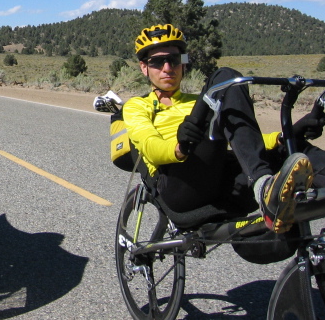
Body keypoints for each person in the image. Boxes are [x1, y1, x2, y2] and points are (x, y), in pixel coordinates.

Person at [123, 23, 325, 234]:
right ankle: (263, 185)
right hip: (179, 184)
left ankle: (273, 187)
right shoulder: (138, 105)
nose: (167, 68)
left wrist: (289, 135)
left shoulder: (200, 101)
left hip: (218, 177)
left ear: (183, 63)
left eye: (174, 60)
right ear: (144, 67)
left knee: (295, 150)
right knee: (224, 79)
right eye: (156, 62)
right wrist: (179, 147)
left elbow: (244, 138)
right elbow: (149, 145)